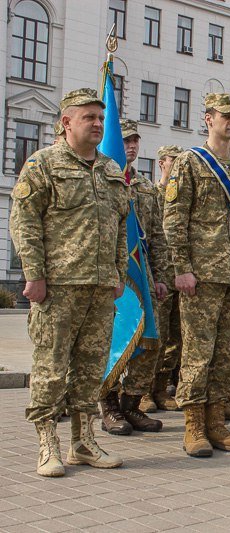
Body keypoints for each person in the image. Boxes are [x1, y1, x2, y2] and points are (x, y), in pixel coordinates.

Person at [11, 88, 127, 476]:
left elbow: (121, 226)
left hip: (99, 286)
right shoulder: (43, 165)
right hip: (58, 286)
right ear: (66, 122)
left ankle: (84, 441)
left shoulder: (111, 170)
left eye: (100, 118)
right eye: (89, 118)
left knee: (91, 368)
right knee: (51, 366)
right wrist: (34, 274)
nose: (97, 124)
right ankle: (48, 444)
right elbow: (24, 221)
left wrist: (117, 273)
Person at [163, 93, 230, 457]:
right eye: (226, 116)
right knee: (198, 351)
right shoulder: (191, 162)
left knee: (227, 352)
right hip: (202, 275)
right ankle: (193, 427)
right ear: (208, 119)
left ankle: (217, 422)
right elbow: (174, 219)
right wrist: (182, 269)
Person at [99, 119, 168, 435]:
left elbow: (156, 235)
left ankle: (132, 405)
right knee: (113, 343)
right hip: (113, 279)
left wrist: (162, 275)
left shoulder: (145, 188)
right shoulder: (102, 180)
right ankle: (109, 408)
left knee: (150, 345)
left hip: (143, 278)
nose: (131, 146)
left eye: (135, 141)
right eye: (125, 140)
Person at [149, 145, 184, 412]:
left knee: (176, 337)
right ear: (162, 163)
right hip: (157, 277)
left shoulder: (183, 195)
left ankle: (161, 388)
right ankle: (143, 391)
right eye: (174, 160)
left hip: (179, 276)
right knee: (156, 337)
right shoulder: (152, 194)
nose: (178, 165)